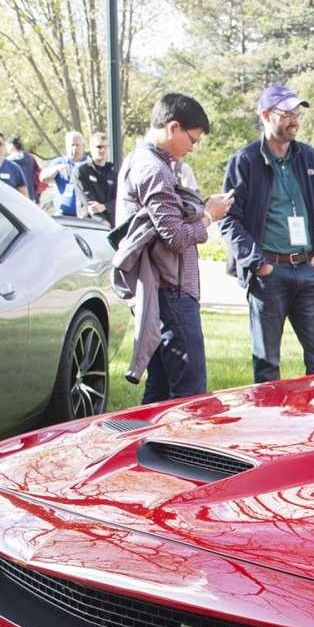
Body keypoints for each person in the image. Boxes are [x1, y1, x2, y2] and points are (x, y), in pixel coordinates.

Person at [113, 93, 234, 404]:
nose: (192, 147)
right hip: (170, 291)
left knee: (161, 392)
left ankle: (146, 438)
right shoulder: (153, 169)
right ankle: (180, 439)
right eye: (192, 139)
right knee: (189, 397)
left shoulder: (146, 161)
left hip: (163, 290)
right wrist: (209, 216)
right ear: (173, 127)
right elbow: (176, 237)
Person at [220, 84, 314, 384]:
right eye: (286, 115)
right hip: (269, 273)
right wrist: (258, 264)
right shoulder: (245, 161)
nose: (294, 121)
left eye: (297, 114)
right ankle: (268, 416)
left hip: (309, 270)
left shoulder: (308, 157)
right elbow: (229, 220)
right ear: (265, 115)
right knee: (267, 366)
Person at [41, 131, 89, 216]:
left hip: (84, 215)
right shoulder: (59, 162)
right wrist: (57, 169)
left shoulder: (89, 163)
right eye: (72, 145)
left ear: (83, 146)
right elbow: (43, 178)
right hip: (63, 214)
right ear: (67, 147)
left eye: (77, 145)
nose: (74, 148)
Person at [77, 132, 118, 225]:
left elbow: (119, 200)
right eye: (99, 147)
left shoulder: (113, 173)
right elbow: (88, 201)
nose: (102, 150)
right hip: (90, 222)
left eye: (105, 147)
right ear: (91, 148)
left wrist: (104, 207)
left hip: (111, 223)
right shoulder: (82, 171)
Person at [7, 137, 41, 204]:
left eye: (7, 145)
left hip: (20, 197)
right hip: (34, 194)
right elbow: (37, 173)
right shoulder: (30, 156)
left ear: (12, 145)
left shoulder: (8, 162)